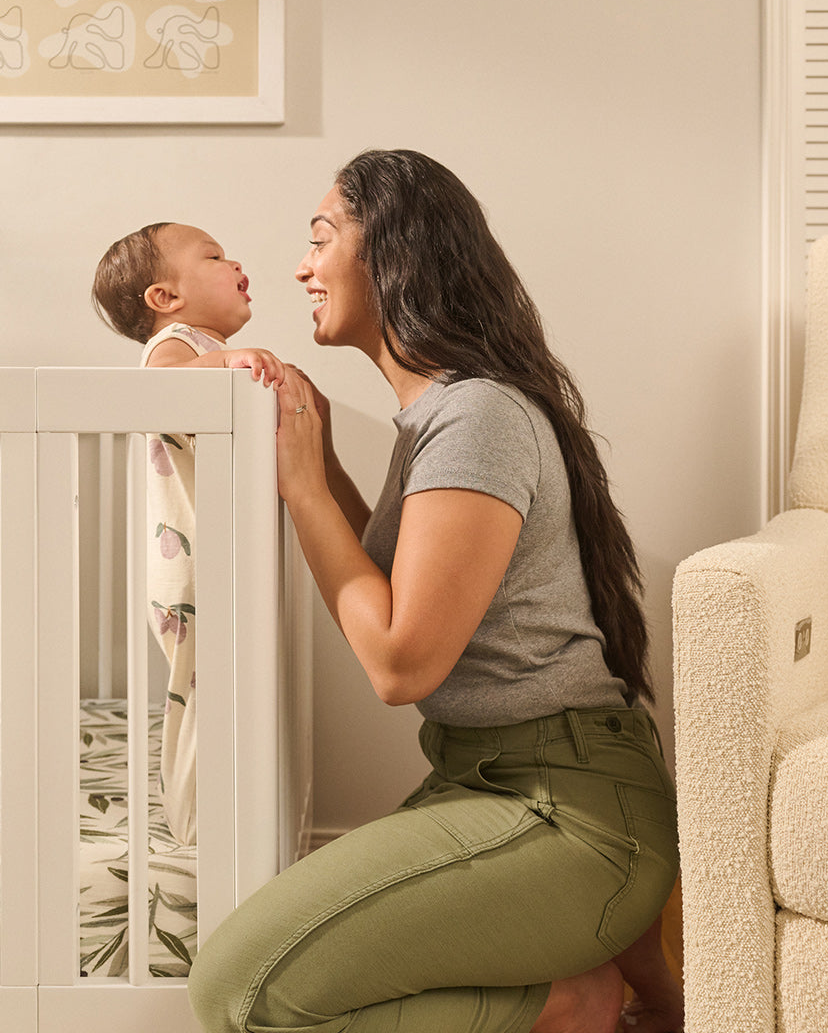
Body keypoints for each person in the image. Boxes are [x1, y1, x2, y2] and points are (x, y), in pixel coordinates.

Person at [187, 150, 682, 1033]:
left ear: (395, 253)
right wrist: (322, 454)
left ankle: (573, 1001)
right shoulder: (439, 418)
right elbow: (385, 585)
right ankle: (577, 981)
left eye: (321, 237)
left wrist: (305, 487)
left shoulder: (477, 415)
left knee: (240, 991)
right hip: (489, 780)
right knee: (254, 976)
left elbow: (402, 660)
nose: (302, 266)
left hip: (564, 809)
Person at [92, 222, 286, 848]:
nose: (236, 262)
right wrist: (229, 361)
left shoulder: (202, 347)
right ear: (164, 299)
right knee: (196, 697)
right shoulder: (173, 346)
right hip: (189, 564)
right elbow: (169, 391)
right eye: (215, 255)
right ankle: (193, 828)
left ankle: (222, 813)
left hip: (215, 554)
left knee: (219, 691)